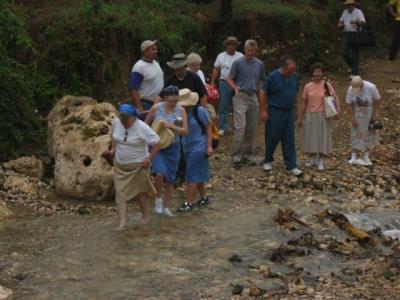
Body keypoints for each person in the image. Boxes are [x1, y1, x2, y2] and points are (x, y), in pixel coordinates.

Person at [107, 104, 160, 231]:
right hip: (121, 165)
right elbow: (114, 136)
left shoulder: (142, 127)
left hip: (139, 165)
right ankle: (122, 223)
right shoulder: (116, 122)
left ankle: (146, 217)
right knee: (120, 194)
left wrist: (149, 159)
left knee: (141, 192)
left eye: (127, 120)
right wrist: (113, 149)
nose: (124, 123)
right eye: (122, 120)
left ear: (133, 117)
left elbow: (157, 143)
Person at [145, 85, 188, 216]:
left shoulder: (181, 110)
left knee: (170, 178)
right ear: (165, 98)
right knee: (159, 173)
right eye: (171, 101)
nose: (173, 103)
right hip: (157, 146)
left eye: (176, 101)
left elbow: (185, 131)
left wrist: (170, 126)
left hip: (173, 146)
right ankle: (158, 199)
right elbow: (145, 125)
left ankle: (167, 207)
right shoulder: (156, 108)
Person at [259, 58, 303, 176]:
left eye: (294, 70)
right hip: (275, 111)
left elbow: (295, 95)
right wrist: (263, 111)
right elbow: (263, 93)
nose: (293, 72)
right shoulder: (273, 77)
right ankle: (268, 160)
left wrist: (296, 110)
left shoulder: (293, 77)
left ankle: (291, 165)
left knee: (289, 138)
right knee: (272, 137)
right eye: (291, 70)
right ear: (284, 68)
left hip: (289, 112)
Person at [226, 39, 264, 166]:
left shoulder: (259, 64)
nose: (251, 53)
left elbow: (261, 80)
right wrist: (235, 88)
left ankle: (247, 155)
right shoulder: (238, 62)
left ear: (256, 51)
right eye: (248, 51)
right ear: (245, 50)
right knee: (240, 127)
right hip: (240, 95)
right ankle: (235, 155)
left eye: (253, 51)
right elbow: (229, 78)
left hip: (253, 95)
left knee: (251, 128)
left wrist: (260, 94)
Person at [176, 89, 213, 212]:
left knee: (191, 174)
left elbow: (208, 127)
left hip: (199, 146)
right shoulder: (179, 113)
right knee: (196, 172)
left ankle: (189, 202)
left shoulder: (199, 111)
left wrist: (209, 146)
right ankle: (204, 197)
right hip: (186, 146)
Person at [298, 63, 340, 171]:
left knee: (322, 137)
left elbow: (334, 98)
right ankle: (313, 159)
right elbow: (304, 103)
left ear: (322, 73)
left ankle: (321, 160)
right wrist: (300, 117)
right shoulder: (307, 86)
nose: (317, 73)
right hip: (310, 114)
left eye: (319, 71)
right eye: (315, 71)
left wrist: (337, 112)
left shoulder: (326, 85)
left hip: (323, 114)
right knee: (311, 137)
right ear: (312, 73)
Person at [211, 36, 243, 136]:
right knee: (223, 106)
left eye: (233, 44)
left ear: (236, 46)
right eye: (229, 44)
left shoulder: (240, 56)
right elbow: (216, 69)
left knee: (238, 106)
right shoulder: (221, 56)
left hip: (237, 83)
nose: (231, 46)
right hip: (224, 82)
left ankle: (237, 127)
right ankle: (222, 127)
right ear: (226, 45)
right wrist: (212, 82)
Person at [345, 76, 381, 166]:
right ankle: (354, 155)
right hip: (357, 112)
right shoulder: (350, 89)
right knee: (355, 132)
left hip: (369, 112)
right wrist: (352, 118)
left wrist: (376, 113)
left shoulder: (371, 87)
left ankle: (366, 155)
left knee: (370, 133)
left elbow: (377, 99)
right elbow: (349, 104)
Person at [129, 40, 164, 112]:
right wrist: (139, 107)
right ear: (145, 52)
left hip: (159, 102)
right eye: (153, 49)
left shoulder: (155, 62)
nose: (156, 51)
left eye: (156, 49)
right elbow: (133, 89)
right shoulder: (139, 67)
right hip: (146, 104)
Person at [337, 0, 366, 76]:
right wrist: (340, 24)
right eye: (347, 5)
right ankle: (353, 66)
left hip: (355, 34)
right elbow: (341, 21)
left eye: (350, 5)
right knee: (344, 52)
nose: (349, 6)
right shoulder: (345, 12)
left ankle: (354, 72)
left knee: (355, 53)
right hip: (346, 33)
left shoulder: (358, 12)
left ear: (353, 5)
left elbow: (363, 23)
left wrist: (356, 22)